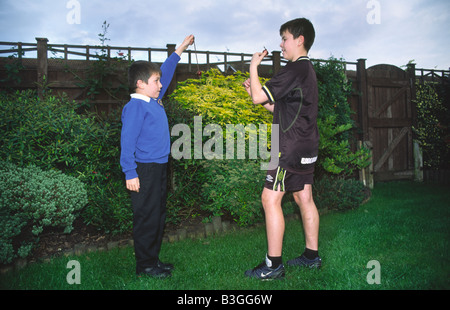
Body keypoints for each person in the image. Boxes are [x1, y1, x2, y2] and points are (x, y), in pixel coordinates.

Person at [243, 18, 321, 280]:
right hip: (306, 143)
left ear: (300, 39)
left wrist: (254, 67)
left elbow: (256, 97)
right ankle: (311, 257)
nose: (281, 43)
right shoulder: (307, 71)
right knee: (303, 197)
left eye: (285, 38)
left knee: (270, 198)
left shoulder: (294, 69)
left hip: (286, 145)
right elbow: (281, 109)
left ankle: (273, 265)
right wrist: (258, 91)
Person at [120, 34, 194, 278]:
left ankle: (153, 260)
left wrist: (181, 48)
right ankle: (145, 266)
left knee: (158, 216)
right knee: (146, 218)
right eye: (155, 81)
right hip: (144, 170)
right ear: (140, 84)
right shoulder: (136, 107)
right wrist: (130, 172)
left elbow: (167, 71)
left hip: (159, 168)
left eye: (160, 82)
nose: (161, 84)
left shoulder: (153, 100)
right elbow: (127, 142)